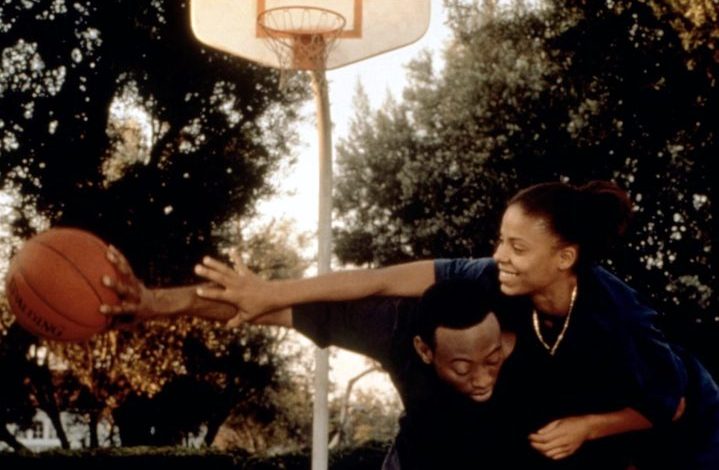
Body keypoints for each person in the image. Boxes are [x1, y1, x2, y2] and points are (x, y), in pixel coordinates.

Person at [186, 180, 719, 468]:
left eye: (516, 246)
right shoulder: (492, 279)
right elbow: (378, 281)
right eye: (499, 240)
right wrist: (271, 292)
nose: (499, 255)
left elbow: (670, 404)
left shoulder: (619, 319)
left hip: (688, 431)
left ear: (564, 258)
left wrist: (586, 427)